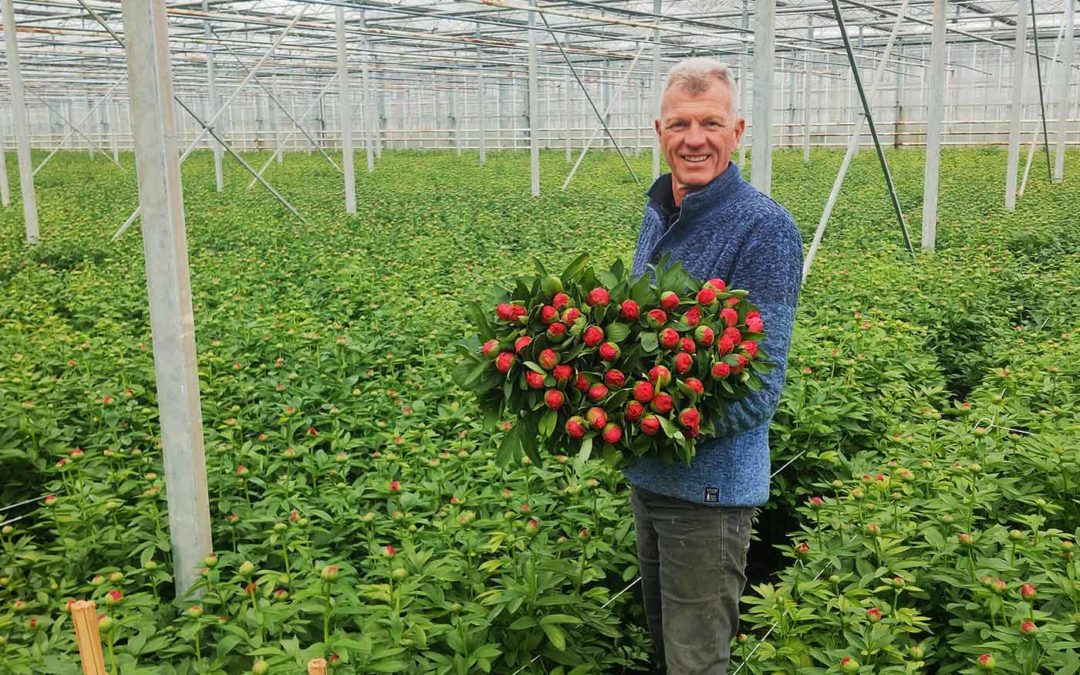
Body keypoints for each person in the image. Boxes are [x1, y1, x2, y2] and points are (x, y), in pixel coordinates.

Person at [625, 57, 804, 674]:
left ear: (738, 130)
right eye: (680, 123)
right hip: (648, 478)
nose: (694, 138)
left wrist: (636, 415)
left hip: (709, 489)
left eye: (710, 122)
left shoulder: (764, 229)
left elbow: (757, 391)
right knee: (665, 645)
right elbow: (632, 338)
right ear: (659, 131)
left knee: (696, 659)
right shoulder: (657, 210)